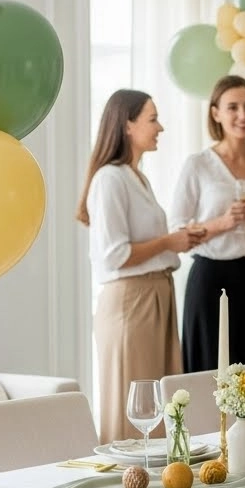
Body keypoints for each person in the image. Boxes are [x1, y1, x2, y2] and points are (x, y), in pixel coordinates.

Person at [77, 89, 204, 443]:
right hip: (132, 303)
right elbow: (115, 254)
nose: (160, 127)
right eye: (152, 119)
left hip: (156, 295)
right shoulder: (109, 180)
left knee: (162, 406)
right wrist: (169, 242)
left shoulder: (138, 178)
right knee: (133, 405)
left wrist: (177, 241)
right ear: (127, 125)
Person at [169, 75, 245, 371]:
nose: (242, 115)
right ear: (216, 113)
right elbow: (178, 232)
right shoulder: (197, 165)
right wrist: (223, 223)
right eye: (232, 107)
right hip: (210, 278)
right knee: (207, 372)